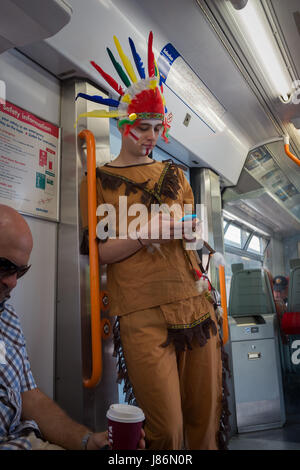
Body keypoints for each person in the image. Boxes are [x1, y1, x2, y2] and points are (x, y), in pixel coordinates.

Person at [79, 32, 230, 450]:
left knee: (203, 423)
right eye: (141, 128)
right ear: (123, 124)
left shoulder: (176, 176)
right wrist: (146, 234)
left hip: (194, 302)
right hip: (140, 311)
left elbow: (194, 236)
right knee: (166, 432)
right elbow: (101, 252)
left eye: (156, 128)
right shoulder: (98, 181)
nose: (150, 137)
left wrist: (193, 231)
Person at [0, 204, 145, 450]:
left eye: (21, 271)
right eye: (4, 267)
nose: (13, 282)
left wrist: (87, 441)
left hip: (26, 439)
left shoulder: (7, 318)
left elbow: (30, 398)